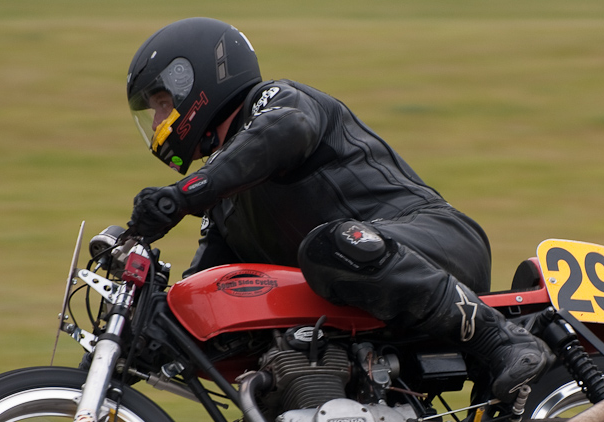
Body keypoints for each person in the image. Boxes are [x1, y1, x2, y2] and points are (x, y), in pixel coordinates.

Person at [125, 17, 552, 402]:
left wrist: (180, 195)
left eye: (162, 102)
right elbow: (207, 291)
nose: (160, 117)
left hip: (433, 241)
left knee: (329, 244)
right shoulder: (224, 196)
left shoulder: (275, 102)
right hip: (361, 292)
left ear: (194, 82)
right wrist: (142, 334)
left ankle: (504, 341)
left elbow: (285, 132)